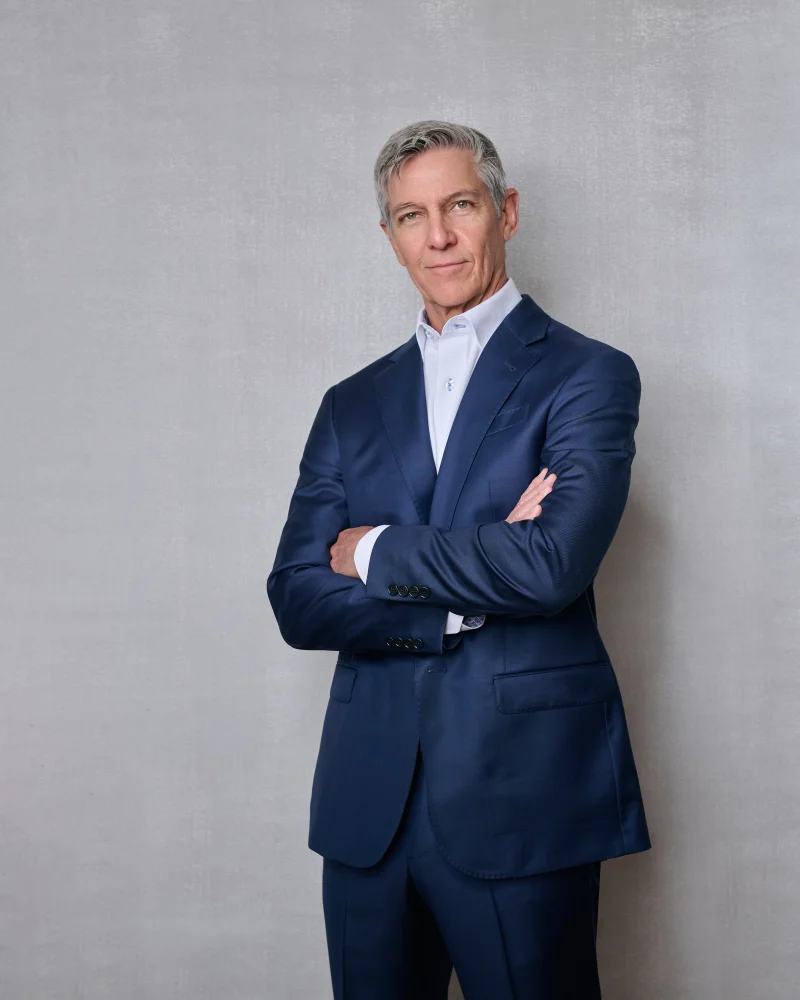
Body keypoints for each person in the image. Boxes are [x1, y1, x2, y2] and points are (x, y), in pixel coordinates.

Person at [267, 119, 651, 999]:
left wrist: (373, 550)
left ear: (505, 212)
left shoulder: (588, 376)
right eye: (412, 216)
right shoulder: (350, 403)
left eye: (460, 206)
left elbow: (550, 566)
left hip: (524, 790)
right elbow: (296, 596)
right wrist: (462, 595)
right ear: (390, 236)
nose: (437, 236)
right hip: (368, 802)